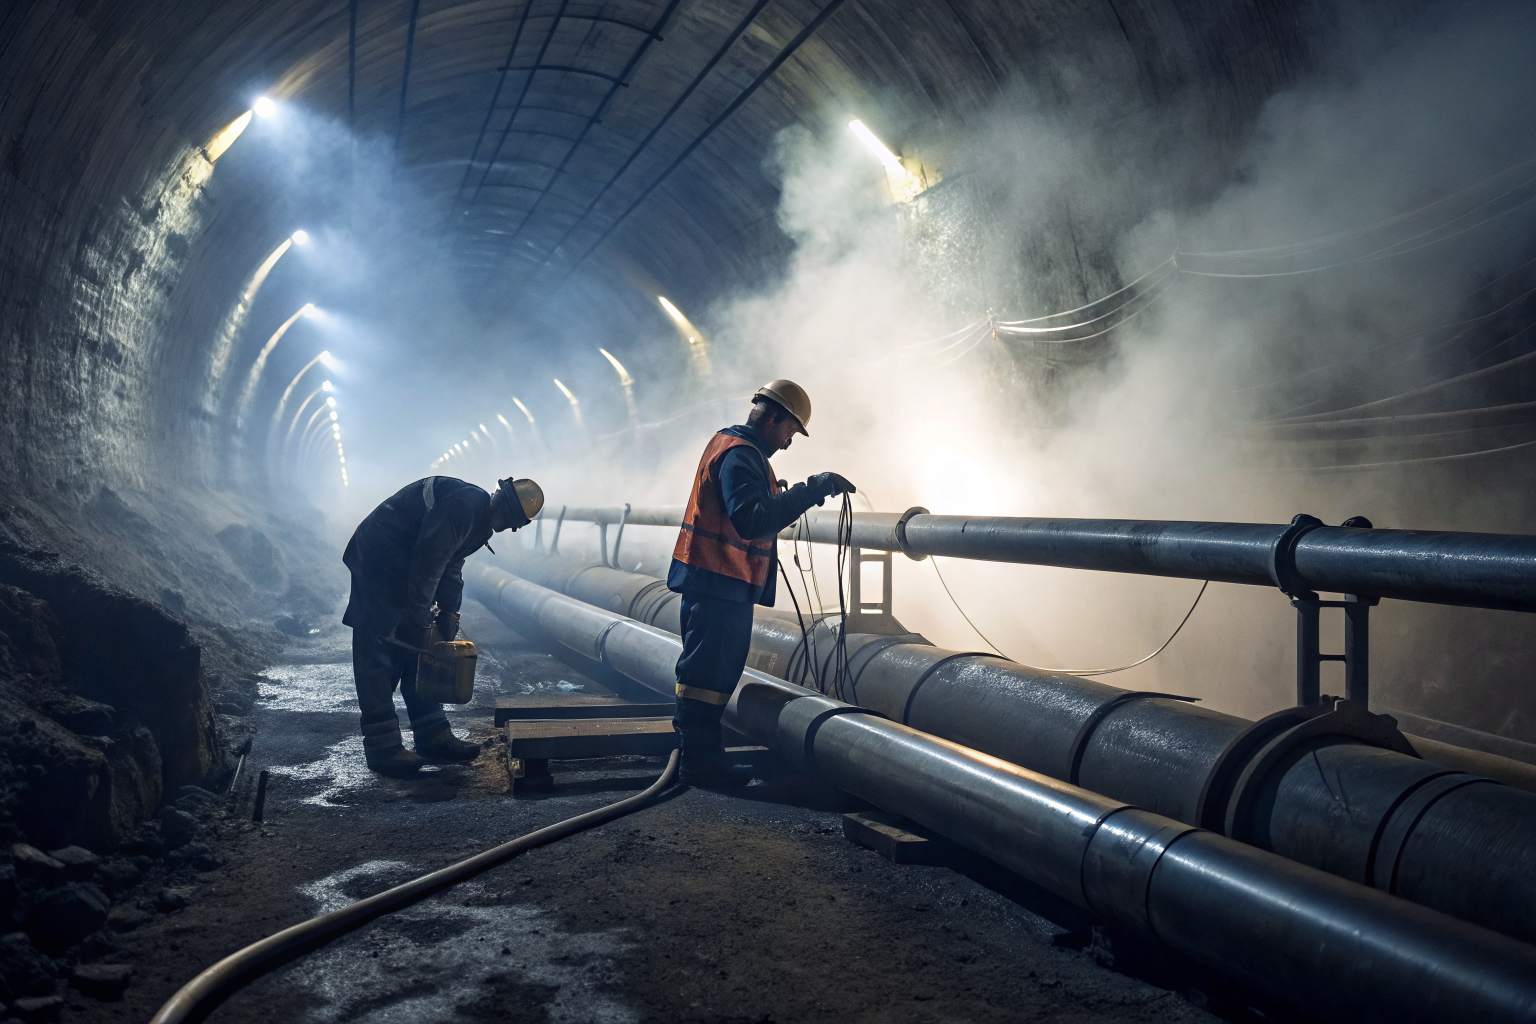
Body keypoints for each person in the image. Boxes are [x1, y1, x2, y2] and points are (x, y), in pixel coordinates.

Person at [669, 380, 855, 786]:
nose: (789, 442)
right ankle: (699, 762)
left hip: (721, 581)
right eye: (790, 431)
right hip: (719, 582)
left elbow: (746, 505)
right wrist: (812, 489)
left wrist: (778, 495)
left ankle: (700, 756)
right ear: (773, 419)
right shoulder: (741, 456)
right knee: (707, 676)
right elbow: (752, 519)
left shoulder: (734, 447)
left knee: (713, 673)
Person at [343, 474, 544, 777]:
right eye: (509, 515)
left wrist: (450, 611)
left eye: (512, 522)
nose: (506, 524)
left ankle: (432, 734)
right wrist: (417, 615)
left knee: (421, 649)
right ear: (500, 499)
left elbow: (451, 564)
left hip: (402, 559)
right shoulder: (464, 508)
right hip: (379, 556)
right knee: (378, 647)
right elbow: (429, 563)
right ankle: (381, 746)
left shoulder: (480, 522)